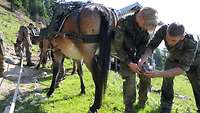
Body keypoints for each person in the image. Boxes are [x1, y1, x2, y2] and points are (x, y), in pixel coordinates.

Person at [137, 22, 200, 113]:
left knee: (197, 84)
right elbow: (152, 46)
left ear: (182, 36)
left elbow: (182, 69)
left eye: (173, 40)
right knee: (167, 80)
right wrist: (143, 59)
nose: (169, 43)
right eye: (168, 39)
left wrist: (158, 74)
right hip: (173, 56)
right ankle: (166, 107)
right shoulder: (164, 29)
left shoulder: (192, 41)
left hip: (195, 61)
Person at [113, 7, 160, 113]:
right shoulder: (123, 23)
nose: (145, 28)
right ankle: (129, 108)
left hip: (139, 57)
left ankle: (142, 101)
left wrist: (140, 61)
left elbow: (144, 44)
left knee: (146, 76)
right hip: (126, 57)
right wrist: (129, 63)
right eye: (145, 26)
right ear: (141, 18)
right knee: (130, 81)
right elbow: (118, 47)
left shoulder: (146, 25)